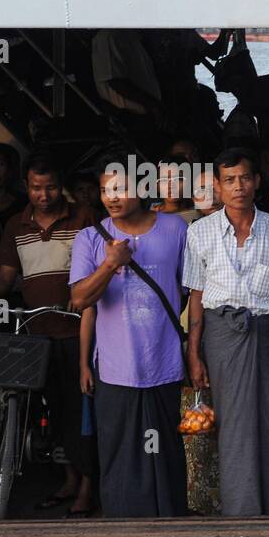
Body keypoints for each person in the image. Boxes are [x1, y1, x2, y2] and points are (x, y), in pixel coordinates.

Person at [183, 148, 269, 516]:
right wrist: (194, 354)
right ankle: (241, 513)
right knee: (234, 423)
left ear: (256, 183)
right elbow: (196, 296)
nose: (237, 187)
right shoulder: (200, 232)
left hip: (268, 332)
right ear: (219, 188)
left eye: (244, 178)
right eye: (229, 180)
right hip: (221, 334)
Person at [0, 154, 97, 515]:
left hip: (78, 332)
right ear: (26, 186)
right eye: (37, 188)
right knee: (53, 410)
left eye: (52, 187)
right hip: (37, 334)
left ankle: (88, 487)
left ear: (64, 186)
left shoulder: (84, 219)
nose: (44, 195)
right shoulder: (15, 225)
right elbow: (5, 278)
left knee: (82, 411)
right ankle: (70, 478)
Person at [69, 159, 188, 517]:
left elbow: (192, 293)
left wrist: (194, 353)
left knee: (168, 451)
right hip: (115, 368)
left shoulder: (175, 229)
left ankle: (172, 526)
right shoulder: (89, 238)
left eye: (120, 188)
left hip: (166, 362)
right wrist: (110, 263)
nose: (111, 198)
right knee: (119, 453)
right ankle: (122, 526)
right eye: (106, 190)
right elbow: (80, 299)